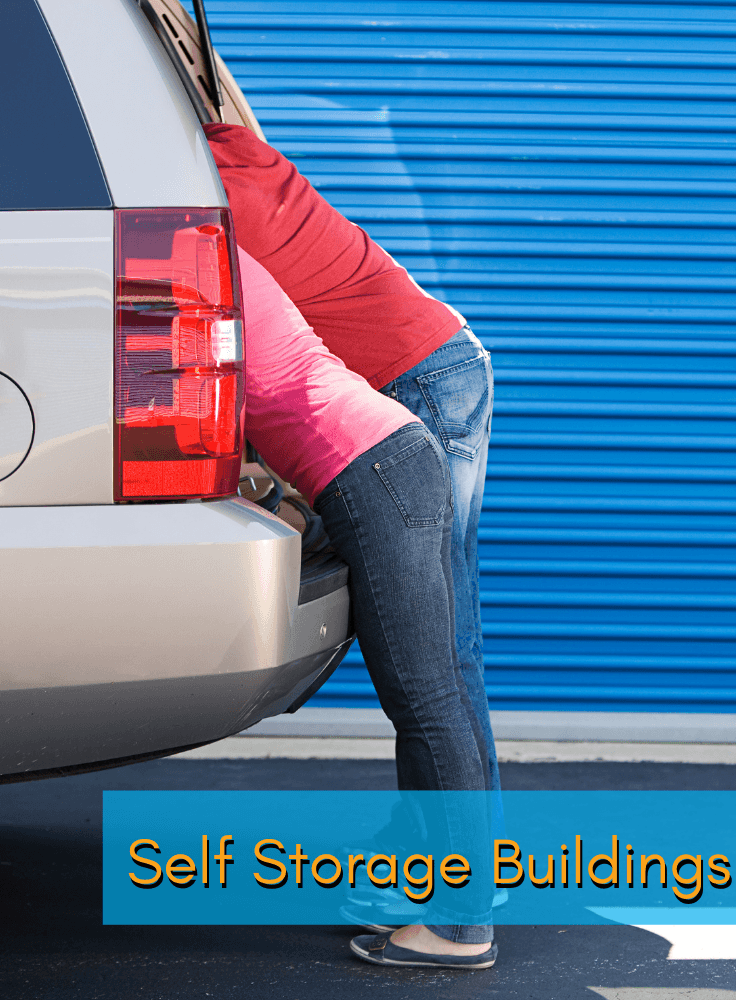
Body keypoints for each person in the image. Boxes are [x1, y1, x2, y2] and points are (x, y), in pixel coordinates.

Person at [202, 123, 499, 816]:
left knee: (438, 669)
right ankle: (449, 876)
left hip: (415, 382)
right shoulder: (231, 151)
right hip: (429, 371)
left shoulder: (198, 200)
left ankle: (459, 899)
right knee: (444, 663)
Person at [234, 246, 496, 968]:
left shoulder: (202, 273)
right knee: (433, 690)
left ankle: (462, 923)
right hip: (385, 461)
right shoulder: (228, 261)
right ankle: (454, 897)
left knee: (425, 694)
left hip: (377, 475)